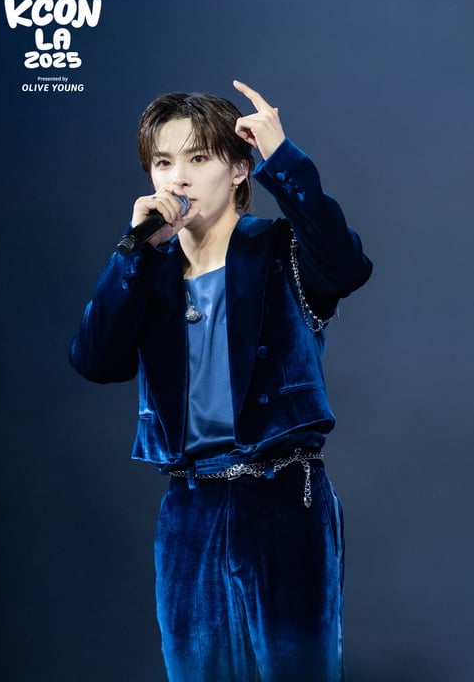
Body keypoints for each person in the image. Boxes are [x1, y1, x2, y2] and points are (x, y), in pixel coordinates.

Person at [70, 80, 372, 681]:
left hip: (282, 494)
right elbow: (96, 359)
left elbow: (346, 265)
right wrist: (132, 251)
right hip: (190, 507)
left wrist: (283, 157)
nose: (177, 178)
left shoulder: (281, 251)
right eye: (163, 162)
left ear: (238, 169)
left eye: (198, 158)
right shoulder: (148, 272)